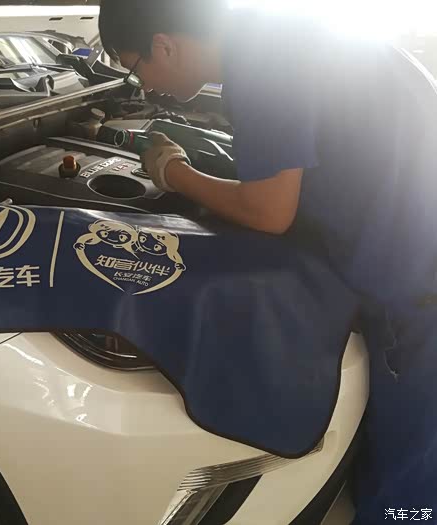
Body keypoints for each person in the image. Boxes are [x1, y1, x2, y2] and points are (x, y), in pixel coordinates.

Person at [98, 0, 437, 522]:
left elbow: (269, 211)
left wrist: (173, 172)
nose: (144, 88)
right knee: (394, 442)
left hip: (416, 283)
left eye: (135, 67)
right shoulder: (273, 35)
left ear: (163, 45)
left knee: (411, 469)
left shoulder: (261, 65)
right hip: (407, 249)